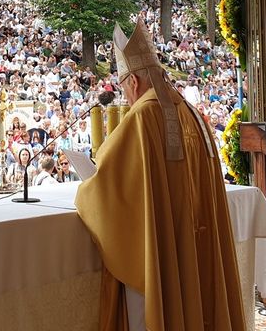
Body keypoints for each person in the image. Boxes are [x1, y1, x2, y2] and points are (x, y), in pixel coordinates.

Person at [76, 21, 243, 331]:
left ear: (134, 82)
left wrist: (86, 188)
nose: (126, 94)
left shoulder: (140, 116)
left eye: (124, 85)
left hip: (163, 255)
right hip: (196, 247)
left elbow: (107, 188)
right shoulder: (194, 113)